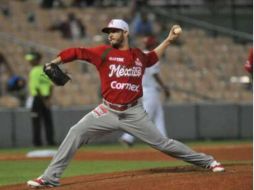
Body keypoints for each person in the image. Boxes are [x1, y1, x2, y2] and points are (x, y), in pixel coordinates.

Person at [27, 19, 224, 188]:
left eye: (114, 31)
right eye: (108, 32)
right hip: (107, 110)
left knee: (163, 144)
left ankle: (208, 161)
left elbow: (152, 58)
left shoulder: (138, 55)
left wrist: (169, 40)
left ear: (125, 32)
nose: (110, 35)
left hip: (134, 113)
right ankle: (50, 178)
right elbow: (77, 52)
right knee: (75, 132)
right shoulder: (103, 53)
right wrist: (55, 62)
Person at [119, 35, 170, 146]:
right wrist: (164, 87)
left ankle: (163, 139)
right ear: (152, 45)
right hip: (150, 90)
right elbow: (155, 74)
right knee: (145, 117)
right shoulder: (151, 55)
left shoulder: (139, 55)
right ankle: (127, 137)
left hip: (144, 89)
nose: (156, 45)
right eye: (155, 44)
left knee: (158, 114)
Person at [26, 51, 56, 147]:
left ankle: (37, 143)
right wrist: (48, 99)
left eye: (31, 60)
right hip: (46, 97)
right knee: (48, 121)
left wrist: (43, 100)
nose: (30, 62)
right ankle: (50, 141)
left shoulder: (34, 71)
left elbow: (36, 88)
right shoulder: (45, 70)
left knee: (36, 122)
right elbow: (51, 86)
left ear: (36, 60)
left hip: (38, 99)